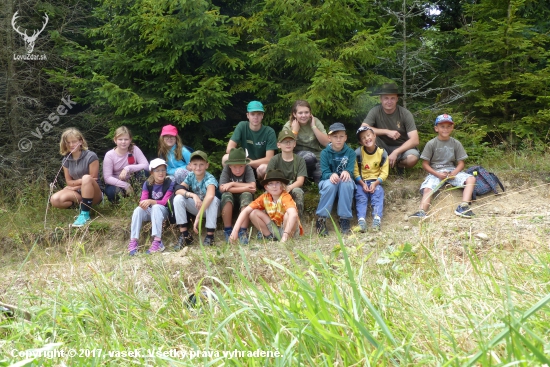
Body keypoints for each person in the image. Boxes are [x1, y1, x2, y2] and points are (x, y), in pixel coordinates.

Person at [410, 114, 476, 219]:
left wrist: (454, 173)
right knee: (428, 188)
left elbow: (461, 163)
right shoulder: (431, 144)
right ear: (436, 128)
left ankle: (464, 206)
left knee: (471, 178)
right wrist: (437, 174)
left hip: (451, 171)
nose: (446, 129)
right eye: (442, 126)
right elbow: (425, 164)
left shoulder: (456, 143)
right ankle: (422, 211)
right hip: (436, 171)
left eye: (448, 126)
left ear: (452, 127)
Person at [229, 169, 303, 243]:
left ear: (283, 185)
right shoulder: (265, 197)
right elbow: (245, 211)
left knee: (288, 215)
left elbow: (293, 214)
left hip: (288, 229)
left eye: (277, 183)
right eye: (270, 183)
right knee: (253, 213)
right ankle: (270, 237)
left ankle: (286, 239)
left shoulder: (285, 196)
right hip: (275, 228)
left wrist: (285, 236)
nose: (274, 186)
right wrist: (235, 231)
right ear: (266, 187)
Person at [50, 128, 103, 227]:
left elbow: (93, 178)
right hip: (79, 192)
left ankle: (85, 214)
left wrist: (75, 186)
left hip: (95, 193)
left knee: (87, 178)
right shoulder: (66, 160)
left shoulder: (91, 156)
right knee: (55, 199)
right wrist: (76, 185)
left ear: (80, 141)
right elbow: (69, 182)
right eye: (68, 143)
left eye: (74, 142)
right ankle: (81, 206)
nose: (71, 145)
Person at [361, 83, 420, 172]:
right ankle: (378, 167)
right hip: (382, 146)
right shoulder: (375, 111)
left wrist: (396, 152)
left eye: (392, 98)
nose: (389, 101)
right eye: (386, 98)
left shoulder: (405, 113)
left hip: (401, 147)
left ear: (397, 99)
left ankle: (398, 165)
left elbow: (415, 140)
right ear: (381, 99)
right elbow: (363, 129)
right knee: (367, 138)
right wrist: (386, 131)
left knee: (412, 158)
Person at [315, 123, 356, 236]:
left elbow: (351, 170)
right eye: (335, 136)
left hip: (344, 182)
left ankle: (344, 219)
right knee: (330, 185)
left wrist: (347, 172)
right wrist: (330, 175)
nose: (338, 139)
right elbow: (324, 172)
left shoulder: (350, 153)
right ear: (329, 138)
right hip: (328, 180)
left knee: (347, 183)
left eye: (341, 136)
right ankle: (321, 219)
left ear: (345, 137)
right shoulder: (324, 153)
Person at [127, 159, 175, 255]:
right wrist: (143, 204)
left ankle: (158, 242)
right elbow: (143, 200)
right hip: (151, 211)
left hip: (164, 211)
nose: (161, 173)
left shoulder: (170, 182)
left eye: (163, 170)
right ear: (152, 172)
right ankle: (133, 241)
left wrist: (151, 202)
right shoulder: (147, 184)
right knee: (138, 210)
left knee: (156, 207)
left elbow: (165, 202)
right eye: (157, 170)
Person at [173, 151, 220, 248]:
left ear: (207, 165)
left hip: (213, 209)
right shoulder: (191, 176)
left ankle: (210, 236)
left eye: (201, 164)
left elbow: (210, 195)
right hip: (199, 206)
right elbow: (178, 189)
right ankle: (185, 235)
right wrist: (193, 195)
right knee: (178, 198)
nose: (198, 168)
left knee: (213, 199)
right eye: (195, 164)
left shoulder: (209, 178)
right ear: (190, 165)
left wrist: (198, 216)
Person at [222, 101, 277, 178]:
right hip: (244, 163)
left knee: (263, 168)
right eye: (252, 114)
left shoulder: (269, 131)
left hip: (259, 165)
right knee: (225, 158)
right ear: (247, 115)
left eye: (258, 114)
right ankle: (232, 183)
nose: (255, 117)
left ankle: (263, 188)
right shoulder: (242, 126)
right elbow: (229, 149)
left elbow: (269, 159)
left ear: (262, 115)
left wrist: (250, 162)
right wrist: (243, 159)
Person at [282, 100, 329, 183]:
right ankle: (303, 179)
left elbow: (326, 143)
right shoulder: (288, 125)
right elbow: (285, 147)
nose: (303, 115)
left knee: (324, 181)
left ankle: (310, 178)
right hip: (297, 160)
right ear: (294, 114)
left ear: (310, 113)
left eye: (306, 112)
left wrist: (314, 127)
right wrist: (294, 131)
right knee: (308, 157)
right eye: (300, 113)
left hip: (317, 158)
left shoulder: (316, 122)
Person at [266, 129, 307, 219]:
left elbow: (300, 181)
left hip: (292, 188)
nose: (288, 144)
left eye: (290, 141)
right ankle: (268, 225)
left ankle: (296, 223)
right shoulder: (274, 159)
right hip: (277, 187)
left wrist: (289, 188)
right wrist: (278, 188)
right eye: (284, 142)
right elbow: (267, 179)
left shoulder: (300, 160)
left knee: (298, 192)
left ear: (294, 144)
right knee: (267, 194)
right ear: (279, 145)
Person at [353, 126, 389, 232]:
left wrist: (376, 183)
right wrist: (362, 183)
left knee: (378, 195)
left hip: (376, 181)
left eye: (368, 135)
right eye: (363, 138)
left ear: (374, 135)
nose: (367, 139)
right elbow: (355, 171)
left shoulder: (382, 153)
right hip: (361, 181)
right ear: (360, 142)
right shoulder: (358, 153)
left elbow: (384, 172)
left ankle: (377, 219)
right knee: (360, 197)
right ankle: (361, 220)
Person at [219, 147, 256, 244]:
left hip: (243, 198)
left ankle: (243, 231)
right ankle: (228, 230)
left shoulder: (248, 169)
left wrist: (232, 184)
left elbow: (252, 187)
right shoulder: (227, 169)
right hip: (231, 199)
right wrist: (244, 188)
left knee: (247, 195)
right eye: (235, 167)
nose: (238, 170)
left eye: (241, 166)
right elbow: (222, 188)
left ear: (245, 164)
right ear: (230, 165)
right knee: (226, 196)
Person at [103, 126, 149, 203]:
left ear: (130, 140)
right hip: (117, 183)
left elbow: (146, 165)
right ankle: (122, 204)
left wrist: (128, 168)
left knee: (144, 173)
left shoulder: (134, 149)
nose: (123, 142)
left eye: (126, 139)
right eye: (120, 139)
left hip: (134, 181)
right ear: (115, 140)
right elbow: (107, 178)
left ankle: (139, 199)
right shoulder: (109, 155)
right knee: (112, 192)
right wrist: (126, 185)